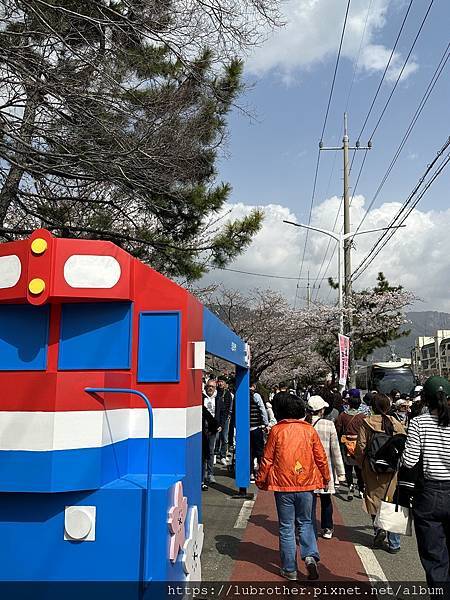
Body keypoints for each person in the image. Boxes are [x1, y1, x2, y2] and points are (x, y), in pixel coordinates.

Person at [256, 393, 330, 581]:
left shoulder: (276, 431)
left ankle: (290, 569)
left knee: (286, 526)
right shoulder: (309, 431)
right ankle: (310, 556)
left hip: (283, 485)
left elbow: (267, 459)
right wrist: (326, 477)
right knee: (306, 522)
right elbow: (320, 457)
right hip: (306, 483)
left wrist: (261, 479)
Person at [402, 376, 450, 586]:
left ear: (425, 399)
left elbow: (409, 460)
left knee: (434, 558)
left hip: (429, 494)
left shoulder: (418, 422)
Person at [354, 394, 406, 554]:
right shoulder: (396, 423)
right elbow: (404, 444)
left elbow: (361, 447)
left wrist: (362, 464)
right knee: (392, 502)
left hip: (372, 468)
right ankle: (394, 543)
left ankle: (378, 531)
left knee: (374, 500)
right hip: (392, 469)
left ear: (372, 407)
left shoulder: (367, 423)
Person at [305, 396, 345, 539]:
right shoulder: (329, 425)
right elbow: (335, 451)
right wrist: (341, 473)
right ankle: (327, 527)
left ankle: (308, 527)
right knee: (326, 499)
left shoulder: (304, 424)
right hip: (325, 468)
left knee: (309, 500)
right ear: (321, 409)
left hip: (307, 469)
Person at [335, 397, 366, 500]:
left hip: (346, 443)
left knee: (348, 466)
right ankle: (361, 488)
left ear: (349, 404)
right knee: (359, 467)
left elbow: (338, 429)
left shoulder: (342, 415)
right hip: (358, 444)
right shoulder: (362, 417)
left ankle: (350, 485)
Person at [203, 379, 224, 484]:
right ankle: (202, 475)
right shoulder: (201, 398)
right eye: (209, 386)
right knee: (202, 452)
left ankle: (210, 474)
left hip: (213, 429)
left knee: (211, 452)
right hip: (202, 428)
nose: (210, 388)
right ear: (206, 387)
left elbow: (221, 413)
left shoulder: (219, 399)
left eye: (212, 387)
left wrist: (220, 425)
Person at [249, 381, 269, 482]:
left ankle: (251, 472)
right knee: (259, 451)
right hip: (256, 427)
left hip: (245, 429)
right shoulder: (256, 395)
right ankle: (261, 473)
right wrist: (266, 423)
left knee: (250, 452)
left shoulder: (240, 394)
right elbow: (262, 409)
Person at [216, 376, 233, 465]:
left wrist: (223, 421)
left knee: (224, 437)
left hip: (225, 418)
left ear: (225, 383)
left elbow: (227, 408)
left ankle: (223, 455)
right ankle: (215, 454)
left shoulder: (227, 394)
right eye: (219, 381)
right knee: (216, 437)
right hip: (216, 418)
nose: (220, 383)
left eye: (222, 381)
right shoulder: (216, 392)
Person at [202, 406, 219, 490]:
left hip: (201, 434)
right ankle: (201, 481)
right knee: (202, 458)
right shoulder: (201, 406)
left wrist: (214, 428)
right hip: (201, 434)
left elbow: (212, 420)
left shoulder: (201, 408)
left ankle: (202, 479)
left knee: (204, 457)